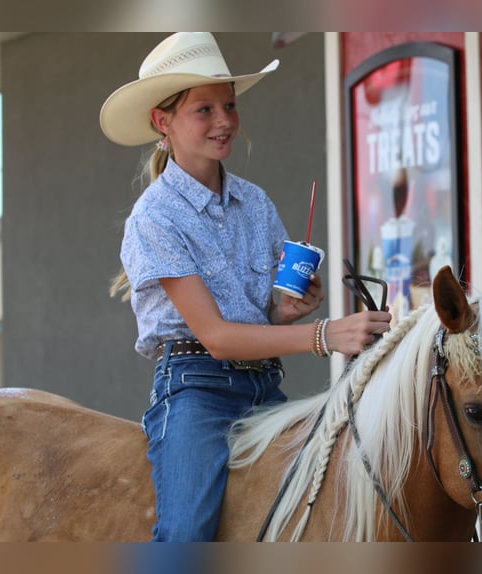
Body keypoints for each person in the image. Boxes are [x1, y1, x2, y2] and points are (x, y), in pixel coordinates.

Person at [99, 32, 391, 542]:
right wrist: (325, 334)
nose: (224, 121)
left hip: (265, 386)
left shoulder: (254, 203)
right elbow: (216, 336)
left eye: (229, 105)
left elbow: (256, 319)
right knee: (187, 535)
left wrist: (286, 311)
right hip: (194, 389)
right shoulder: (155, 217)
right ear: (161, 122)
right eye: (204, 109)